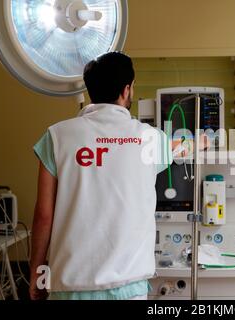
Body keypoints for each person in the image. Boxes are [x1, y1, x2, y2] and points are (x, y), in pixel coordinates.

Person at [29, 52, 201, 300]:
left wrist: (37, 271)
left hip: (69, 286)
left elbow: (44, 215)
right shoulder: (149, 138)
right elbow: (181, 146)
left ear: (91, 89)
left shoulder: (57, 137)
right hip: (128, 287)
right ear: (126, 89)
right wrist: (204, 140)